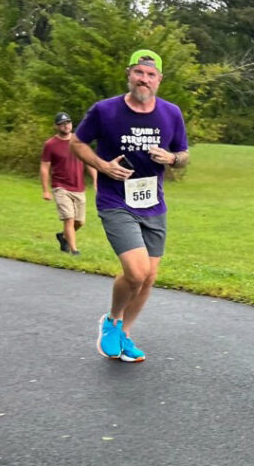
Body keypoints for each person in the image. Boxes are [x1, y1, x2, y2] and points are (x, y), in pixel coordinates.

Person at [70, 49, 189, 363]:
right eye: (139, 72)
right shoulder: (104, 110)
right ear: (129, 74)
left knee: (149, 276)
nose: (144, 79)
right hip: (115, 200)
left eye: (151, 75)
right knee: (135, 273)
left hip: (153, 202)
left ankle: (124, 332)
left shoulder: (171, 113)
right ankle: (110, 320)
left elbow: (183, 154)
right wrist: (102, 166)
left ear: (159, 80)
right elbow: (77, 143)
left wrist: (173, 158)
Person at [40, 111, 96, 255]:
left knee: (80, 222)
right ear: (56, 126)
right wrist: (46, 190)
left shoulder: (79, 142)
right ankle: (74, 250)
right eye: (62, 124)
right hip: (60, 186)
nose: (66, 126)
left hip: (79, 186)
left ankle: (63, 236)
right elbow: (45, 167)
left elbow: (90, 162)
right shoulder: (50, 144)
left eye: (68, 123)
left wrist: (96, 180)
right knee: (69, 219)